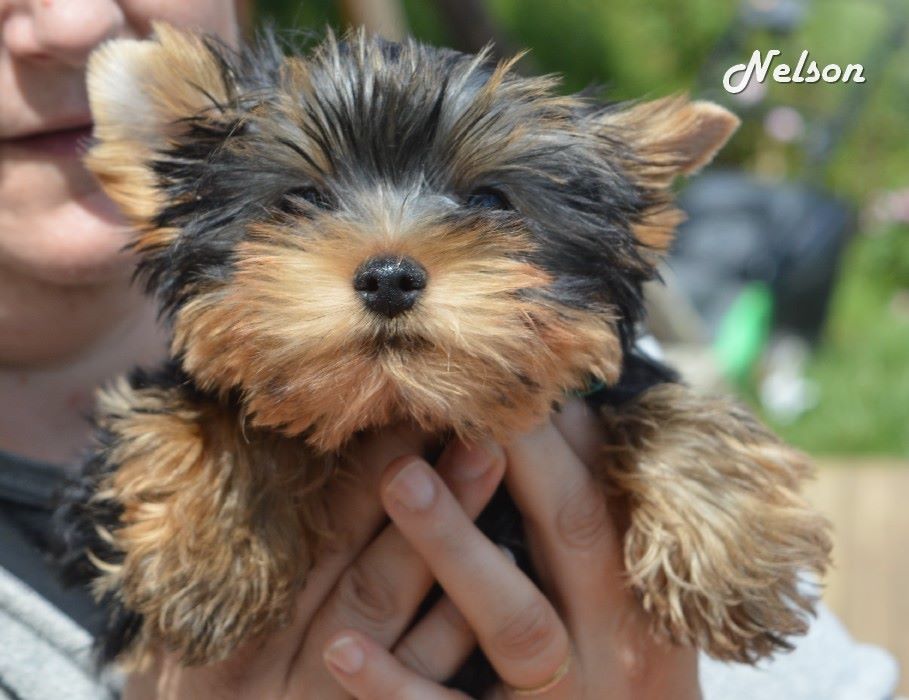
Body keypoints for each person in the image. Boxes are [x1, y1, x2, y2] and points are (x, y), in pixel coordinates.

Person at [0, 1, 899, 698]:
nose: (390, 260)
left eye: (491, 205)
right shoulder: (180, 450)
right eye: (299, 202)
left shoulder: (614, 406)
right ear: (165, 183)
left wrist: (688, 472)